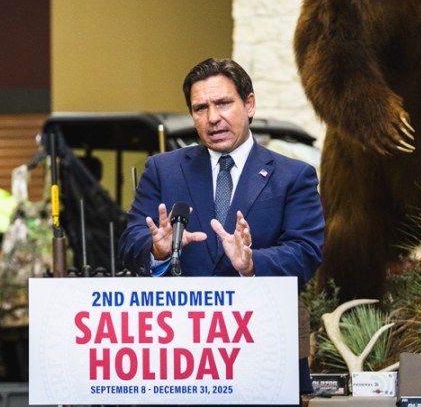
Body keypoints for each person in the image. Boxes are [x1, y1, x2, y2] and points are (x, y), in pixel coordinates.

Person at [117, 57, 325, 394]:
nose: (213, 118)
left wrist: (253, 263)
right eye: (201, 108)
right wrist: (157, 249)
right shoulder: (162, 170)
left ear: (250, 104)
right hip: (179, 361)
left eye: (224, 103)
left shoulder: (293, 177)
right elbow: (130, 243)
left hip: (264, 357)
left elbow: (306, 253)